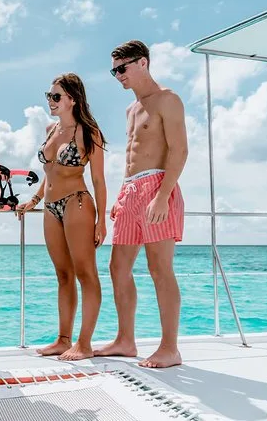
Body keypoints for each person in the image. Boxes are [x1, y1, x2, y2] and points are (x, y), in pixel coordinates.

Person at [94, 40, 188, 368]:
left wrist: (162, 196)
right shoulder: (131, 110)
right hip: (131, 192)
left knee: (159, 268)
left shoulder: (168, 99)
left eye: (122, 68)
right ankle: (125, 340)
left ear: (143, 63)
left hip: (158, 187)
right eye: (114, 71)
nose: (118, 75)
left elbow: (179, 150)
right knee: (117, 267)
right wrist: (122, 195)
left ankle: (170, 348)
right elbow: (131, 157)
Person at [16, 73, 107, 361]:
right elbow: (50, 171)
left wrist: (102, 221)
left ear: (73, 99)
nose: (50, 101)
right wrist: (34, 199)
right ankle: (63, 339)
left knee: (85, 274)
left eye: (56, 96)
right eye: (49, 96)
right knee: (63, 274)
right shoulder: (50, 129)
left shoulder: (89, 132)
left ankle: (85, 343)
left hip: (77, 203)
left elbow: (99, 180)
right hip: (50, 207)